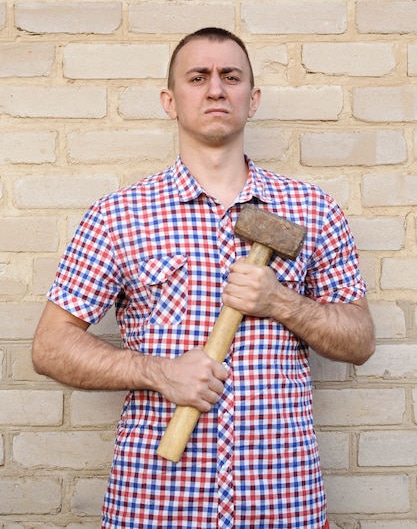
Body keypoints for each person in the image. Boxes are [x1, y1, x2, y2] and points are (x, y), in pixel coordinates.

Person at [32, 27, 375, 529]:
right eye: (198, 77)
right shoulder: (117, 216)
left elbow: (360, 340)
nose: (216, 88)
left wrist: (282, 302)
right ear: (170, 101)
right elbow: (50, 347)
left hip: (283, 503)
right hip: (154, 503)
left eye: (230, 77)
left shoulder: (314, 210)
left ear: (252, 99)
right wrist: (159, 373)